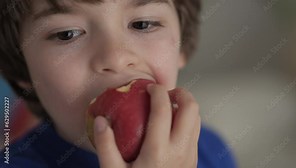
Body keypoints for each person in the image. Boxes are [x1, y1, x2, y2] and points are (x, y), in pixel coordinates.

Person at [0, 0, 236, 167]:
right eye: (67, 34)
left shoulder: (209, 148)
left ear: (181, 45)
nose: (115, 57)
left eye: (143, 24)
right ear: (22, 67)